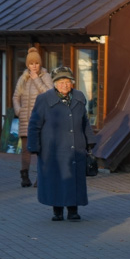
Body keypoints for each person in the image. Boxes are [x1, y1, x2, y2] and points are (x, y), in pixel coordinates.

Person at [27, 67, 96, 221]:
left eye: (68, 82)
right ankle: (57, 211)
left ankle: (73, 211)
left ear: (72, 83)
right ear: (55, 84)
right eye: (61, 82)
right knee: (56, 180)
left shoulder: (78, 97)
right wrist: (34, 146)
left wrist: (90, 141)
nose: (65, 85)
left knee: (74, 180)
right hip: (52, 149)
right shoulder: (44, 99)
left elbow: (84, 121)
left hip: (75, 148)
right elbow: (34, 124)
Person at [13, 47, 53, 187]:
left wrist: (36, 80)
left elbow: (49, 94)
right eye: (31, 64)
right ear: (27, 65)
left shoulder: (45, 76)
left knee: (40, 150)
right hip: (25, 120)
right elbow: (16, 96)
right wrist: (18, 110)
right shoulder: (23, 78)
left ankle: (40, 178)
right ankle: (24, 176)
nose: (34, 66)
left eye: (36, 63)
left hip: (41, 120)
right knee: (26, 150)